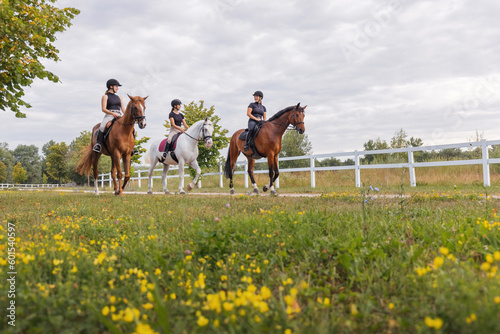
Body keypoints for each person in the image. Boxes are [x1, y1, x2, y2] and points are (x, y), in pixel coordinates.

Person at [93, 79, 126, 153]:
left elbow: (123, 109)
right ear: (111, 86)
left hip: (119, 115)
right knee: (102, 126)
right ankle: (98, 144)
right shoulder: (105, 96)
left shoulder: (119, 97)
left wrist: (126, 115)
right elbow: (103, 109)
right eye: (116, 86)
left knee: (129, 128)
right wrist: (112, 113)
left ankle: (131, 147)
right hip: (109, 116)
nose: (117, 88)